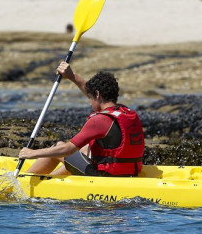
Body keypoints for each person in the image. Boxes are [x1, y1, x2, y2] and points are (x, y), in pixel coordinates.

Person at [18, 62, 146, 177]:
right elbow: (96, 96)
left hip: (106, 176)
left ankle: (26, 181)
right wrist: (72, 76)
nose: (90, 103)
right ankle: (50, 179)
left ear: (97, 94)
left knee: (59, 147)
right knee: (85, 149)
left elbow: (68, 149)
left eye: (90, 97)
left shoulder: (99, 120)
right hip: (129, 173)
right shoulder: (126, 112)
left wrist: (32, 153)